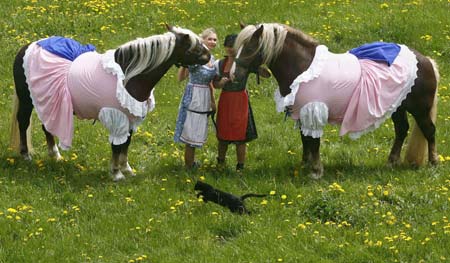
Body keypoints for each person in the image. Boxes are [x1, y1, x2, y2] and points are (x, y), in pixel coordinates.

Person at [213, 34, 267, 171]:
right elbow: (215, 84)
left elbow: (266, 74)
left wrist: (258, 67)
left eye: (233, 46)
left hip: (240, 100)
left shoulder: (244, 63)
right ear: (225, 47)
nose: (231, 49)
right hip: (225, 100)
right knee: (222, 134)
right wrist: (221, 82)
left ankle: (240, 166)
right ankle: (220, 162)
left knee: (240, 135)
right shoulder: (219, 64)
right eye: (228, 46)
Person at [174, 28, 218, 168]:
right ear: (203, 40)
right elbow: (181, 77)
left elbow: (211, 82)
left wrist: (212, 100)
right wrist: (185, 65)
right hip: (194, 95)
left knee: (198, 128)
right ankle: (188, 165)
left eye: (215, 39)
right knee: (191, 130)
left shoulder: (212, 58)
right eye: (209, 39)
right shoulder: (196, 57)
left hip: (204, 94)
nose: (212, 42)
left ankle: (192, 162)